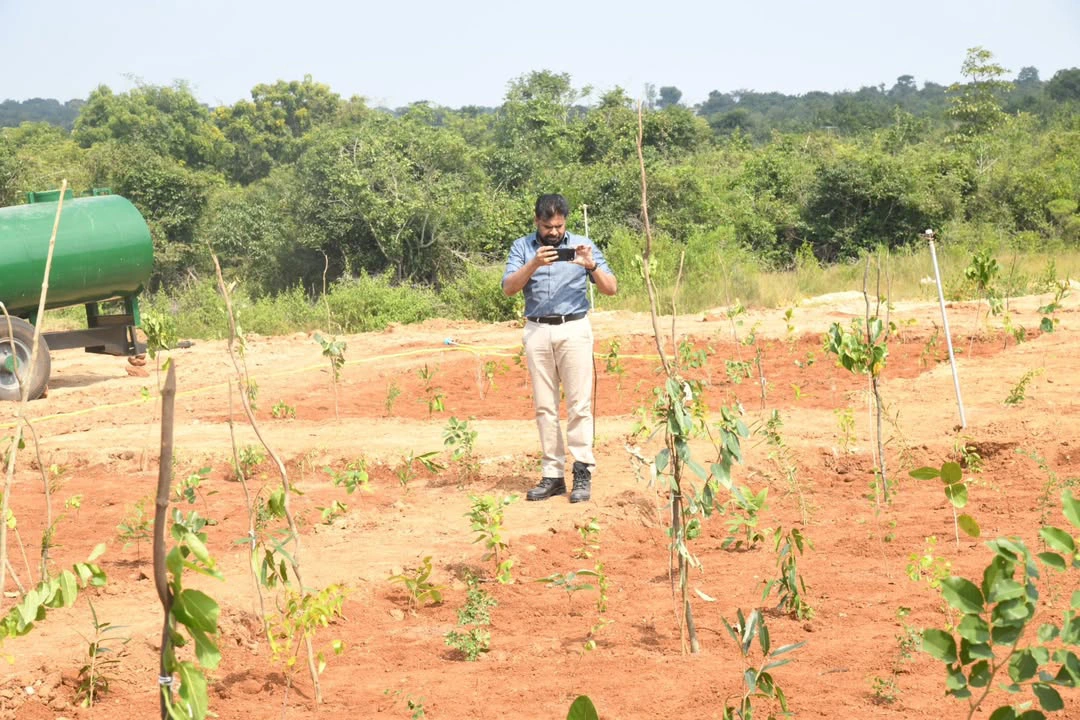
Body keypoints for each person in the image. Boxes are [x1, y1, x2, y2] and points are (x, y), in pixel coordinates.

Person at [502, 194, 617, 503]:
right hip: (537, 329)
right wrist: (534, 263)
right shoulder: (522, 247)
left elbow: (611, 288)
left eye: (558, 226)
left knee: (579, 405)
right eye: (546, 226)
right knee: (545, 406)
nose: (553, 232)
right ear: (536, 221)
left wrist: (590, 265)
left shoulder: (583, 244)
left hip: (574, 328)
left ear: (566, 221)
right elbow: (508, 288)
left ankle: (582, 471)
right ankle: (553, 475)